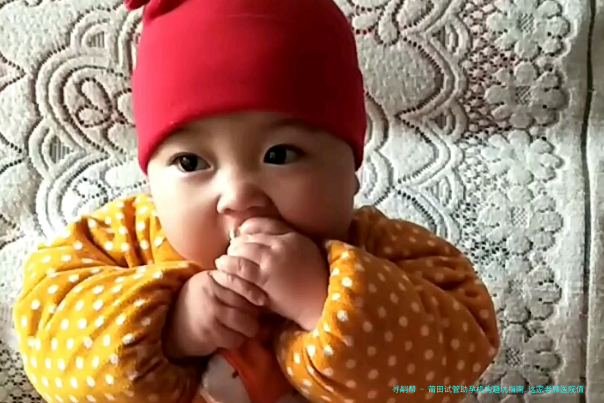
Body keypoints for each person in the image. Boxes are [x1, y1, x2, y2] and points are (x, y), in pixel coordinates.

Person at [13, 0, 501, 402]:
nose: (239, 195)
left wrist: (327, 300)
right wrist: (170, 326)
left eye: (280, 154)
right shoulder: (123, 242)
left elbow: (458, 357)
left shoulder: (390, 252)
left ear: (350, 170)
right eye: (190, 162)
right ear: (152, 180)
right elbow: (48, 339)